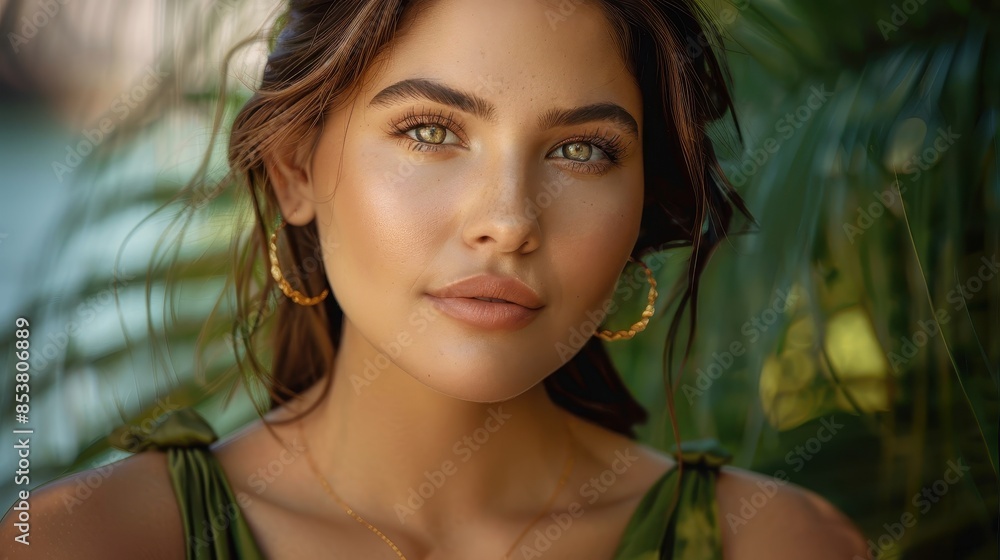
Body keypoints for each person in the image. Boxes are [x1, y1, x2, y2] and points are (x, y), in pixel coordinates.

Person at [2, 0, 867, 558]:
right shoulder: (84, 544)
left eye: (581, 150)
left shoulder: (780, 546)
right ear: (296, 169)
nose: (510, 218)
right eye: (430, 131)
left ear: (643, 203)